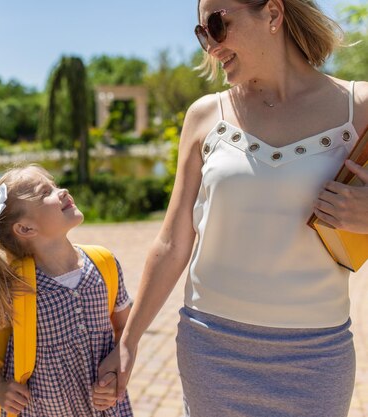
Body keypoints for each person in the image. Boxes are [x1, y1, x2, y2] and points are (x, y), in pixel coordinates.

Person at [96, 1, 368, 416]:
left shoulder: (359, 107)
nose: (209, 45)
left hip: (316, 357)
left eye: (216, 25)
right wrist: (129, 341)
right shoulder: (206, 115)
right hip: (211, 350)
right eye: (201, 34)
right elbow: (171, 243)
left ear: (273, 14)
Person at [0, 164, 134, 416]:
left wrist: (119, 364)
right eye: (46, 192)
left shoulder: (103, 263)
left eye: (54, 184)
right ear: (26, 229)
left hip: (107, 409)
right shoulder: (17, 287)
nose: (61, 191)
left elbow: (125, 329)